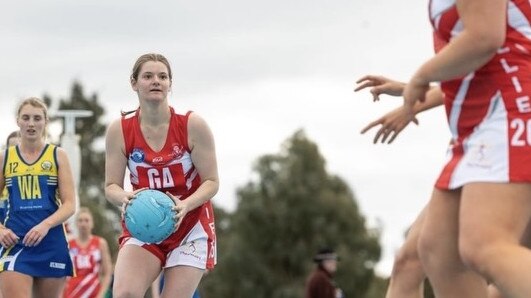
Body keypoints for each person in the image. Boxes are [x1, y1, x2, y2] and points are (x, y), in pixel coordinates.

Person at [398, 0, 531, 296]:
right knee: (438, 251)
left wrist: (422, 76)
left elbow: (486, 36)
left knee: (486, 245)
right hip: (476, 124)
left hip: (507, 108)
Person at [356, 74, 531, 298]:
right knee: (409, 263)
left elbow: (489, 49)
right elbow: (480, 77)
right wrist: (412, 90)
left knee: (488, 264)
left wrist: (416, 93)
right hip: (482, 150)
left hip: (501, 149)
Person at [105, 53, 219, 298]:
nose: (155, 81)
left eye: (162, 76)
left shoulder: (192, 125)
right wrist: (125, 198)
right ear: (134, 83)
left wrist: (185, 205)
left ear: (170, 84)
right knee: (125, 293)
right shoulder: (120, 130)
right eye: (148, 76)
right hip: (144, 224)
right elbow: (111, 186)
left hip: (189, 224)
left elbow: (212, 181)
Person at [0, 97, 77, 298]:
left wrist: (45, 225)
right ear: (18, 121)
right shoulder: (5, 157)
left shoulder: (57, 155)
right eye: (26, 118)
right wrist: (0, 229)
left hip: (50, 241)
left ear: (45, 121)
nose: (31, 123)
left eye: (37, 118)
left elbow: (70, 205)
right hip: (15, 241)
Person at [63, 207, 113, 298]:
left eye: (86, 220)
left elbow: (107, 272)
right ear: (76, 224)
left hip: (93, 292)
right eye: (80, 220)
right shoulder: (69, 244)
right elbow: (62, 273)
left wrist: (101, 294)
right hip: (72, 293)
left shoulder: (100, 243)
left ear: (92, 223)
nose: (83, 224)